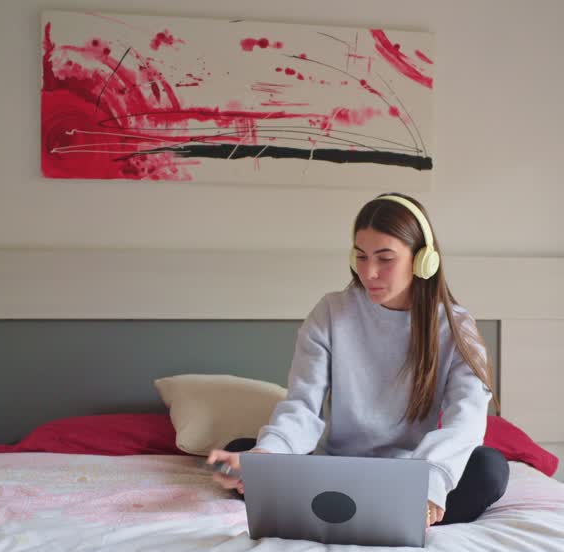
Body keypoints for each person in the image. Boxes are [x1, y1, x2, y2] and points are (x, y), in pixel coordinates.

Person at [207, 193, 508, 527]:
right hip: (334, 468)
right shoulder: (331, 312)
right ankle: (374, 511)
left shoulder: (456, 327)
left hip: (409, 475)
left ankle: (378, 509)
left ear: (423, 260)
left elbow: (464, 423)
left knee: (489, 469)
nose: (370, 272)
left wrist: (429, 483)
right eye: (361, 257)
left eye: (385, 258)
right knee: (243, 450)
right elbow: (302, 407)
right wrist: (263, 458)